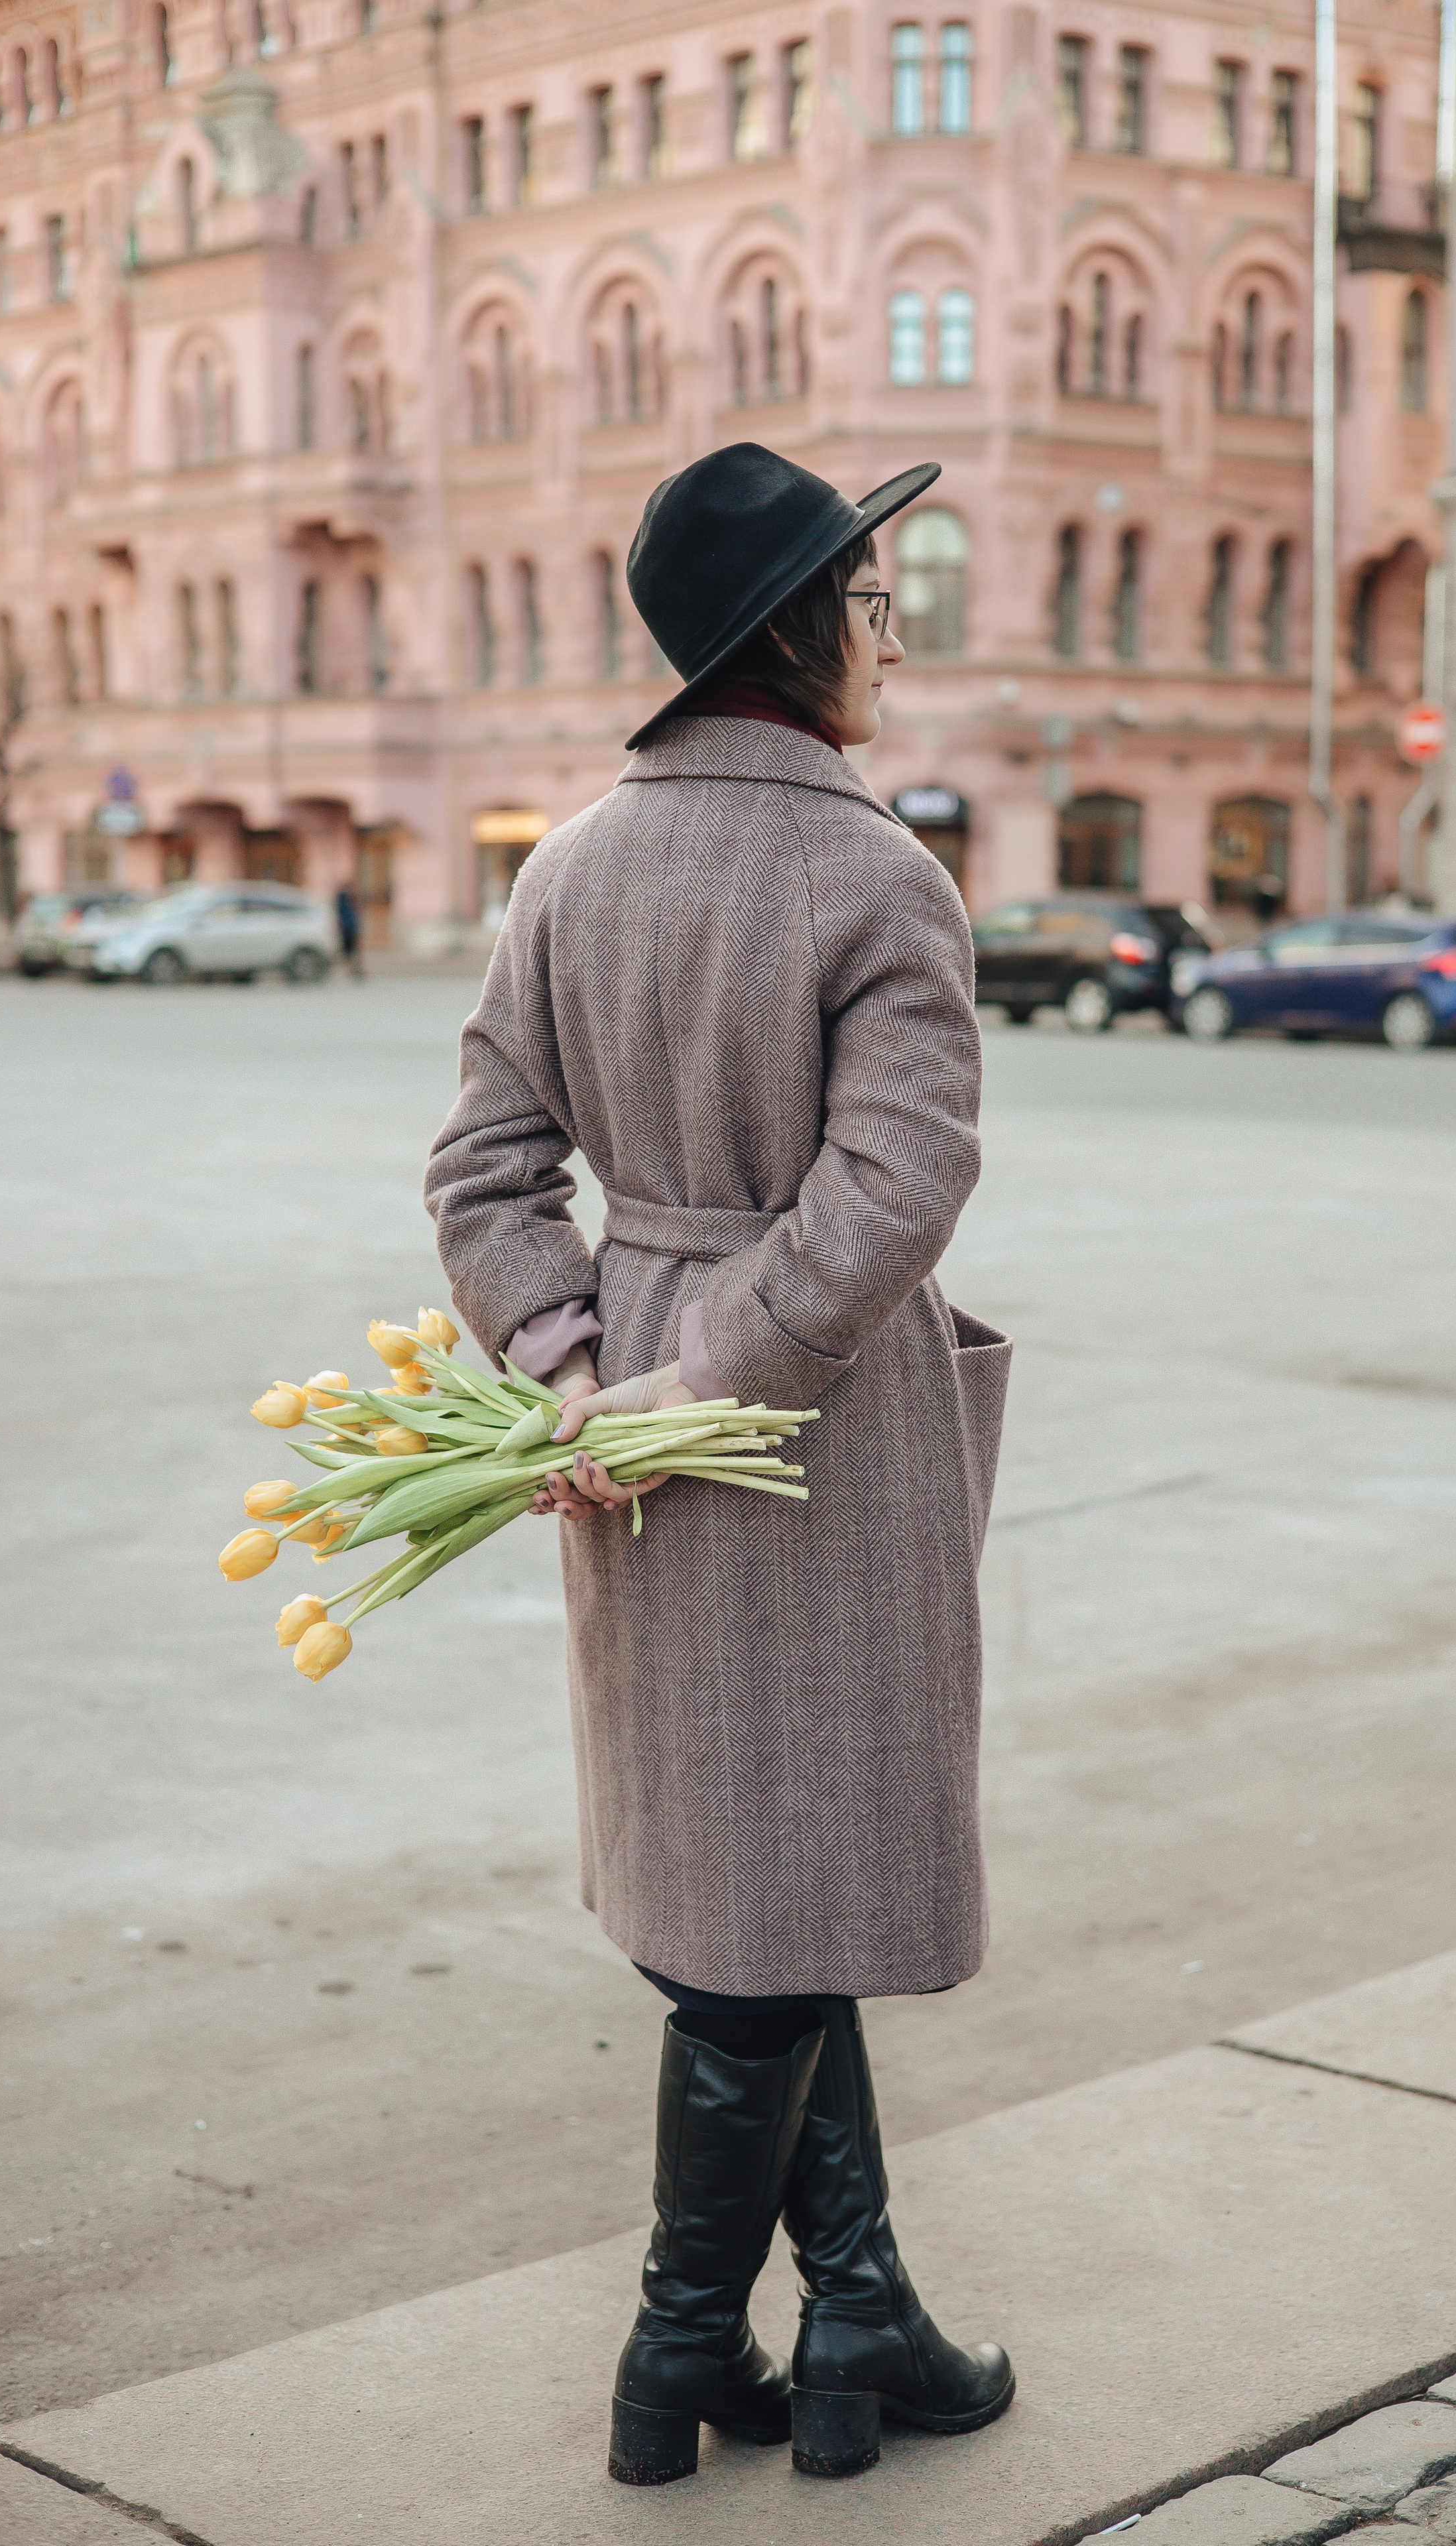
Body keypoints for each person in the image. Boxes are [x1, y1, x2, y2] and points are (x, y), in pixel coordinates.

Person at [424, 444, 1014, 2489]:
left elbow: (483, 1168)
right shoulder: (881, 872)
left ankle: (858, 2311)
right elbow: (896, 1186)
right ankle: (678, 2347)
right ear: (784, 632)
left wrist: (578, 1357)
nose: (891, 632)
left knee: (761, 1876)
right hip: (808, 1437)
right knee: (775, 1893)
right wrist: (699, 1379)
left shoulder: (565, 866)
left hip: (627, 1443)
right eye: (865, 602)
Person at [334, 879, 363, 978]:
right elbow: (339, 912)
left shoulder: (353, 898)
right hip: (346, 927)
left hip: (353, 927)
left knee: (354, 950)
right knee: (346, 950)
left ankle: (355, 970)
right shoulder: (342, 897)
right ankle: (348, 970)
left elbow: (356, 913)